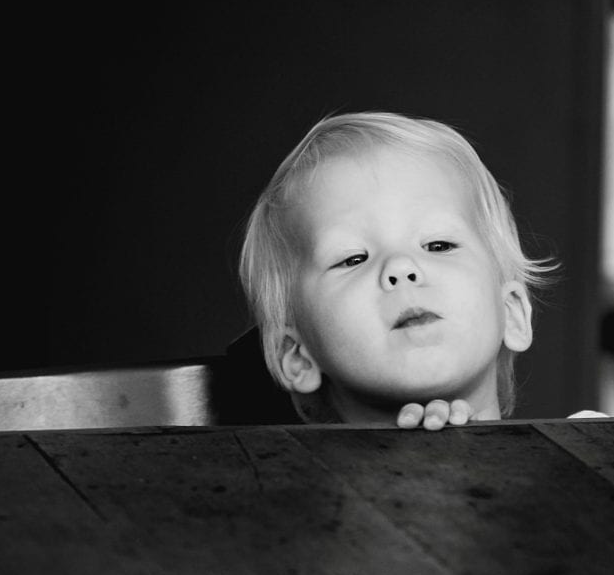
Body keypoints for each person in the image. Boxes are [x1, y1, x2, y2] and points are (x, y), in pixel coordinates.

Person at [238, 111, 555, 428]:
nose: (401, 267)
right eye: (353, 258)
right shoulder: (277, 477)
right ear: (297, 355)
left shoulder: (597, 455)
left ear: (511, 313)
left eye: (439, 245)